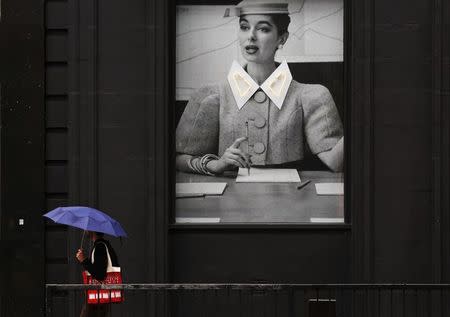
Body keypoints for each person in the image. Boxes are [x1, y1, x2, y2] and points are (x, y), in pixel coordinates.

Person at [176, 0, 344, 175]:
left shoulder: (312, 96)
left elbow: (335, 162)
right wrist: (214, 165)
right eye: (244, 27)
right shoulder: (210, 96)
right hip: (229, 200)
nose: (251, 36)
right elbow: (179, 159)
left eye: (263, 29)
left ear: (282, 38)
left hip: (292, 199)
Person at [76, 231, 120, 317]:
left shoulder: (100, 247)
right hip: (100, 297)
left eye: (88, 229)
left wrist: (84, 260)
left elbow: (100, 274)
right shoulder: (104, 245)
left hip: (97, 297)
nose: (86, 231)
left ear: (92, 231)